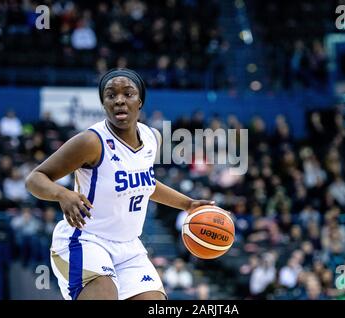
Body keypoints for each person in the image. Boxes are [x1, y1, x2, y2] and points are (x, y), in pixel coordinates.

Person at [25, 68, 215, 300]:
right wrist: (62, 194)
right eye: (111, 95)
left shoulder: (152, 137)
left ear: (140, 101)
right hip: (85, 240)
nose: (119, 101)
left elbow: (144, 183)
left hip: (129, 248)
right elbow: (35, 178)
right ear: (103, 103)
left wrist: (188, 204)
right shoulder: (91, 141)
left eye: (128, 94)